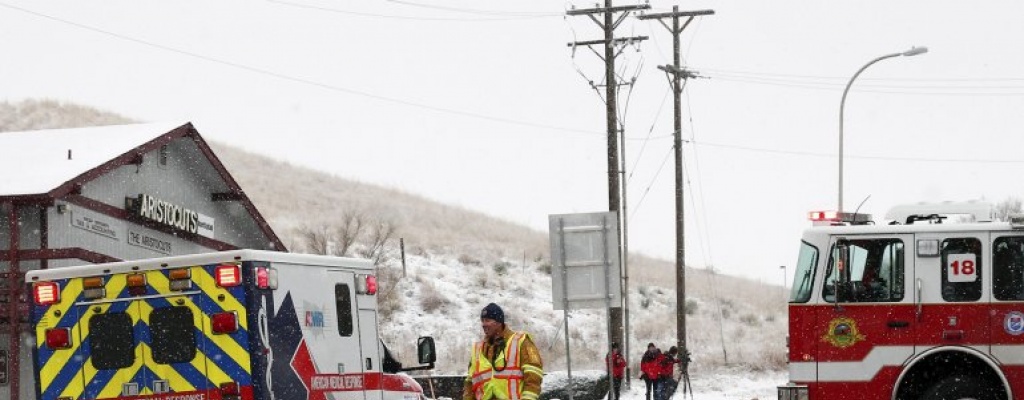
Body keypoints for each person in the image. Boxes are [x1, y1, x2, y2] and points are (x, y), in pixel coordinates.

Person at [463, 303, 544, 400]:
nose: (484, 324)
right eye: (482, 321)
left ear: (499, 322)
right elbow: (470, 382)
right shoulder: (478, 348)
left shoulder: (521, 341)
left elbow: (533, 377)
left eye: (487, 320)